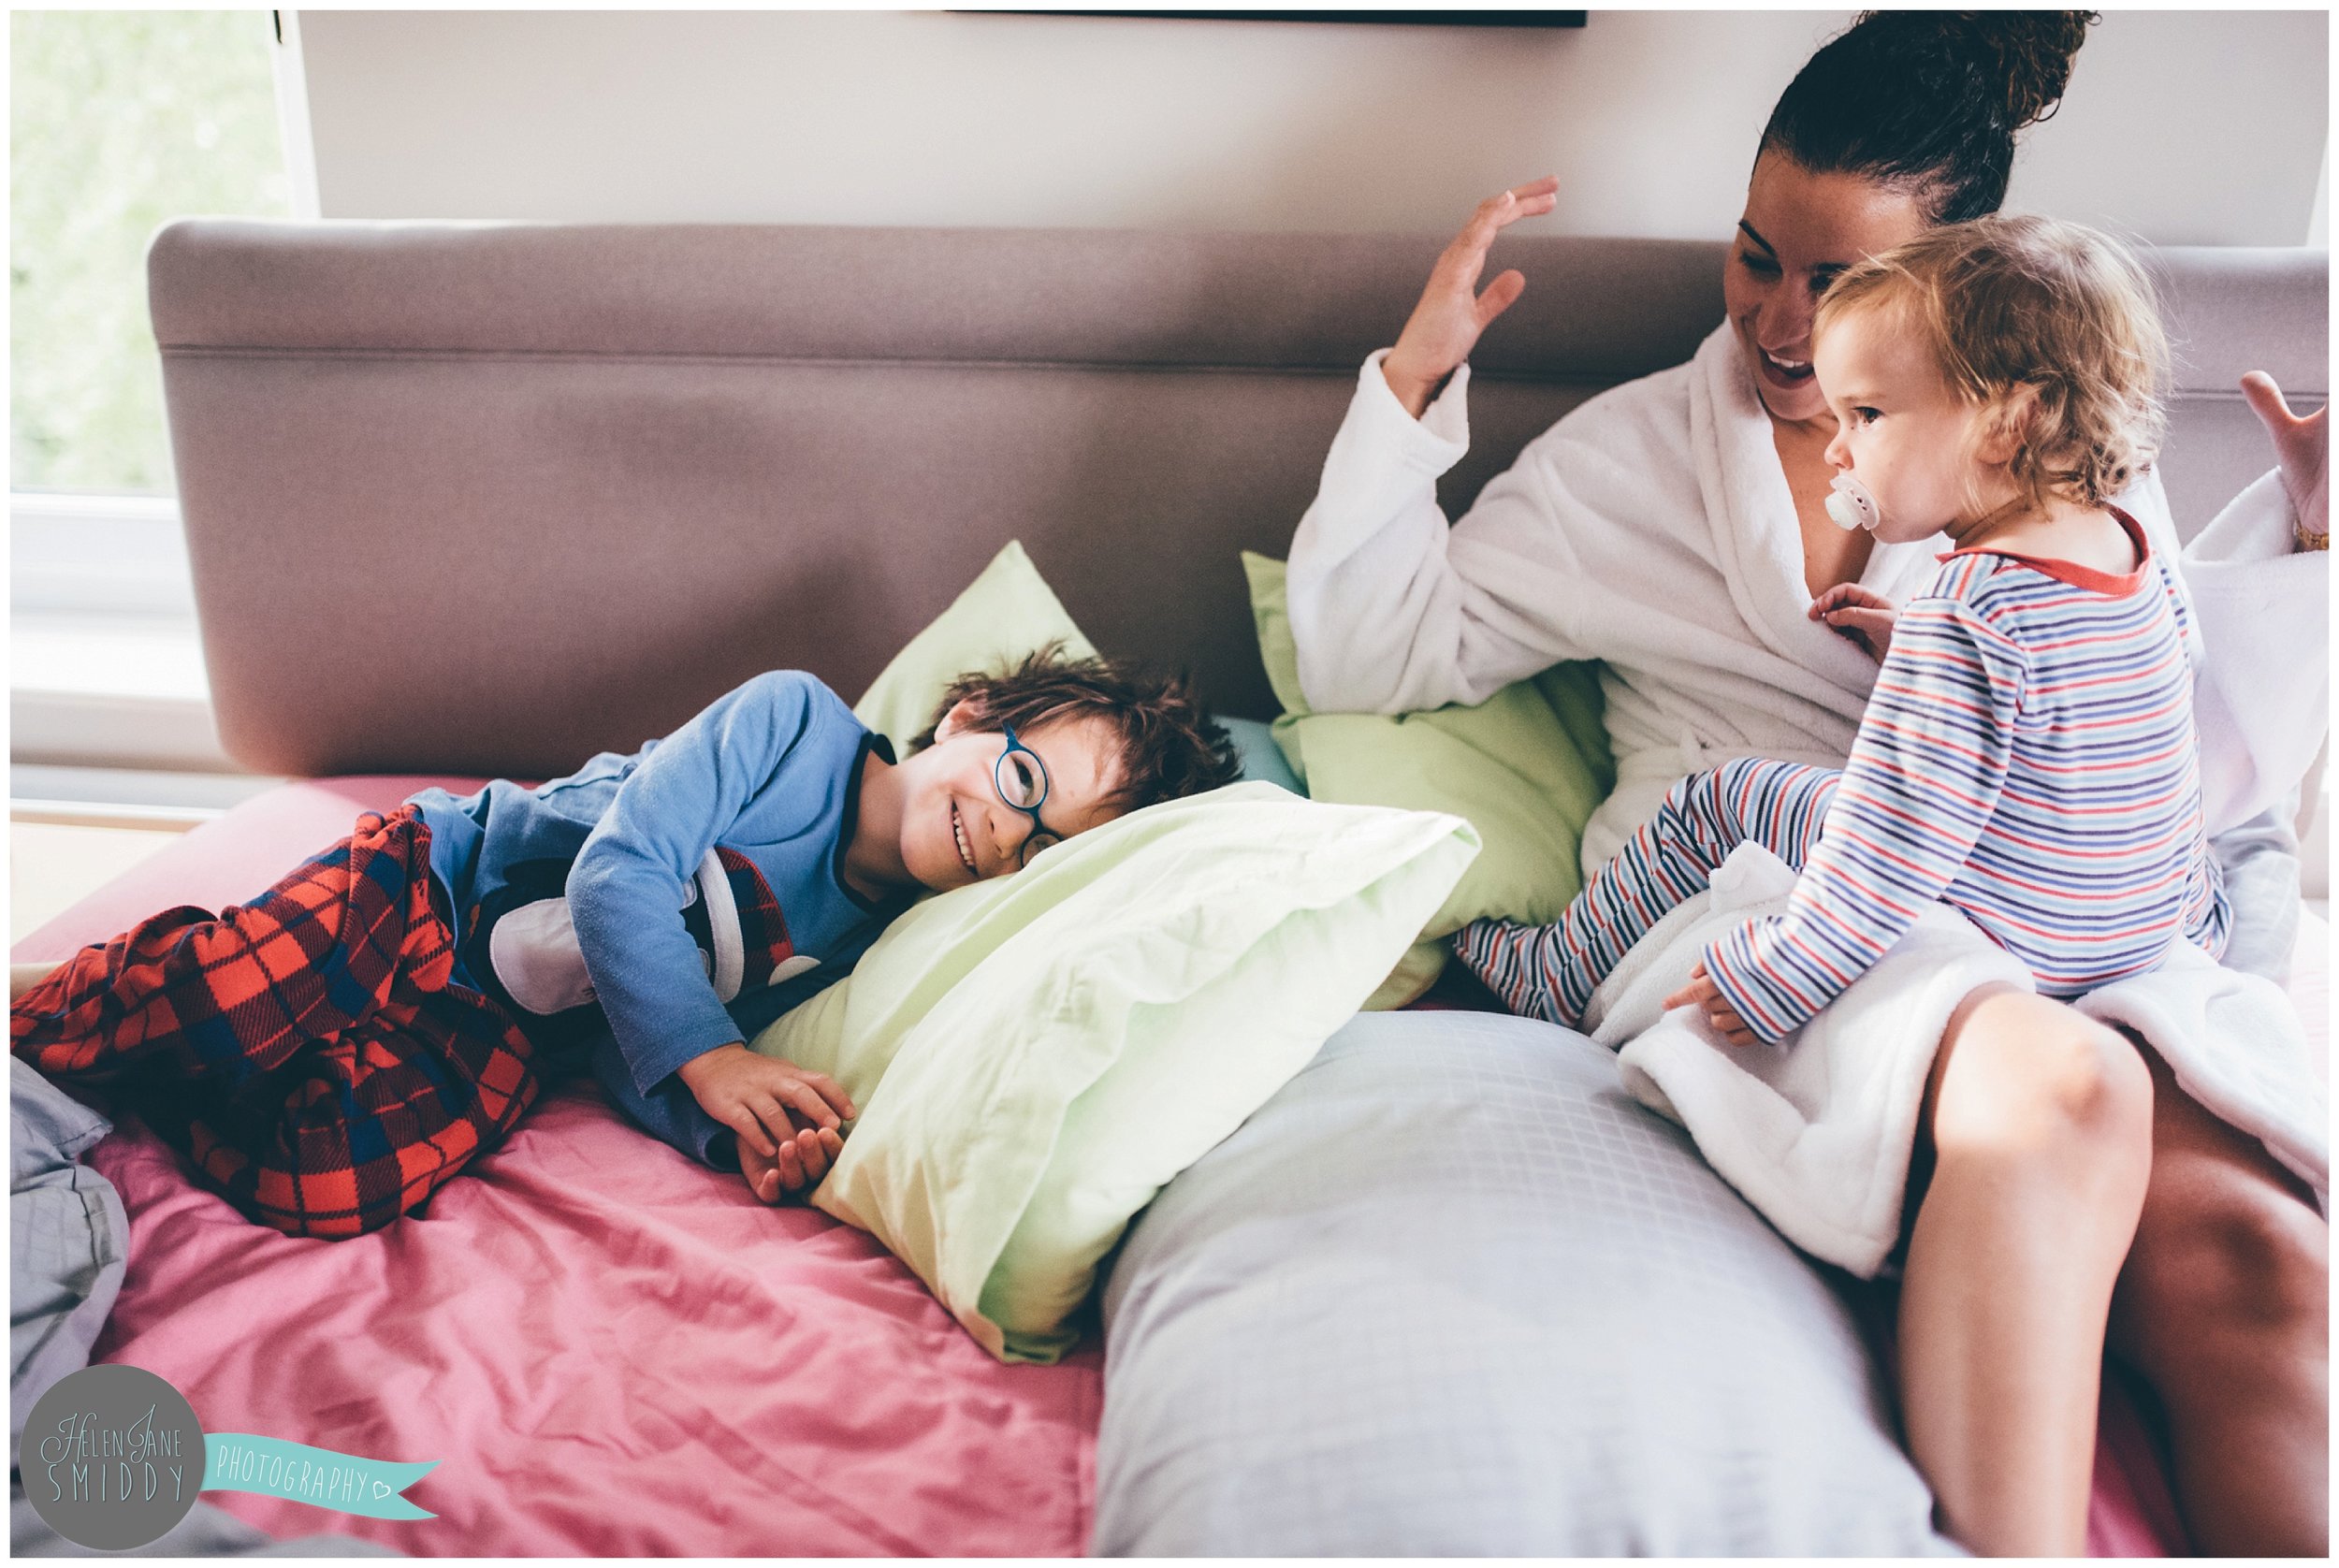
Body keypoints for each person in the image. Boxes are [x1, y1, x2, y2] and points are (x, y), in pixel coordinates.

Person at [1286, 11, 2327, 1557]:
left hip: (2041, 912)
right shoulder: (1622, 466)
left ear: (1962, 288)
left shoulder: (2066, 476)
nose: (1782, 324)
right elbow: (1375, 657)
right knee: (2061, 1088)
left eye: (1840, 284)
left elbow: (2164, 747)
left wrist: (2301, 545)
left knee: (2261, 1260)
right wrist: (1412, 378)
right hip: (1777, 903)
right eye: (1755, 255)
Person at [10, 649, 1242, 1236]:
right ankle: (91, 995)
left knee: (333, 1185)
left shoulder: (876, 945)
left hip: (510, 1030)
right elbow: (619, 877)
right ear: (968, 718)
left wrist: (726, 1128)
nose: (1008, 830)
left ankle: (190, 1067)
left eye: (1048, 850)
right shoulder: (795, 726)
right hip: (434, 882)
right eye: (1023, 775)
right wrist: (712, 1056)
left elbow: (634, 1054)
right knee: (234, 1003)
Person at [1457, 215, 2226, 1045]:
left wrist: (1783, 975)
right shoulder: (2125, 547)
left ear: (2007, 424)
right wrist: (1918, 654)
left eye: (1865, 414)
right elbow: (2129, 730)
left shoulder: (1967, 608)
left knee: (1723, 798)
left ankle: (1554, 976)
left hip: (2016, 926)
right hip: (2131, 928)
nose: (1837, 450)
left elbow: (1896, 841)